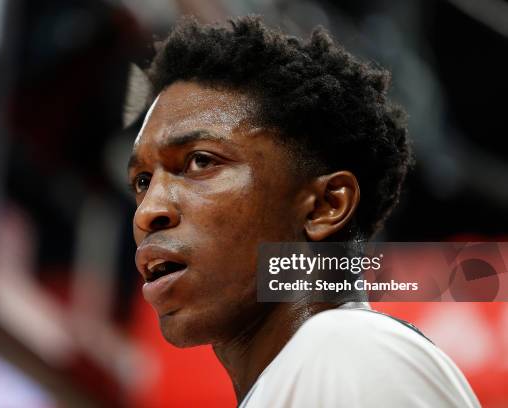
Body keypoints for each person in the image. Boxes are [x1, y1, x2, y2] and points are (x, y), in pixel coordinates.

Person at [127, 16, 480, 407]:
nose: (148, 211)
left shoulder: (347, 353)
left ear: (326, 206)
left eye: (200, 161)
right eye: (142, 181)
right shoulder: (306, 370)